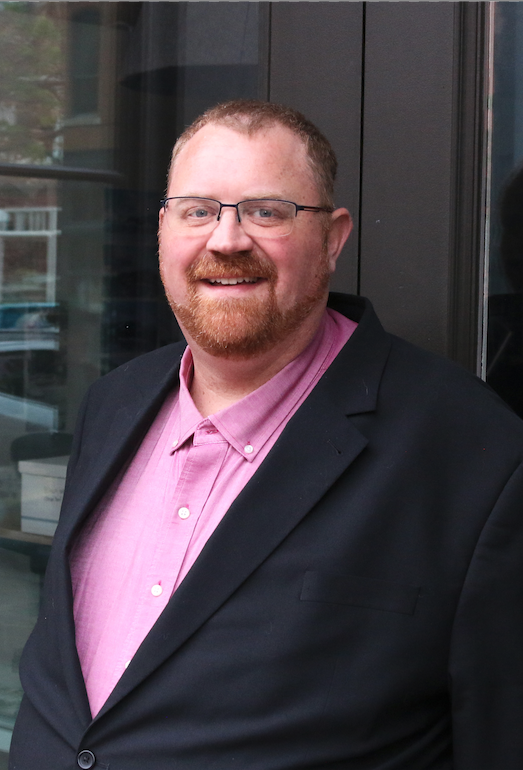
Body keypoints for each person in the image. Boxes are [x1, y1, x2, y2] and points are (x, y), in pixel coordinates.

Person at [9, 100, 523, 770]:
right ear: (163, 230)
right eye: (198, 210)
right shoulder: (115, 403)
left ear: (332, 239)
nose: (226, 240)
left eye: (266, 212)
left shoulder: (472, 453)